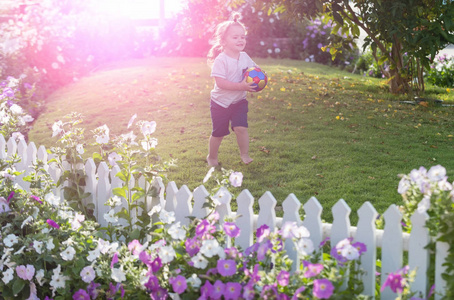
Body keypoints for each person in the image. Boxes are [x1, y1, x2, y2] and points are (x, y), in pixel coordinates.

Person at [206, 12, 257, 167]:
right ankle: (212, 157)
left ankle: (245, 154)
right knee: (219, 133)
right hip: (220, 103)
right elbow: (220, 83)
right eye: (235, 37)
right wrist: (241, 86)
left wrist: (261, 77)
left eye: (242, 37)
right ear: (224, 41)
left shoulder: (245, 56)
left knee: (241, 128)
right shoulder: (221, 60)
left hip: (238, 101)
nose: (240, 40)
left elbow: (255, 70)